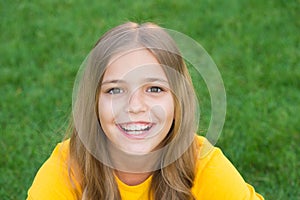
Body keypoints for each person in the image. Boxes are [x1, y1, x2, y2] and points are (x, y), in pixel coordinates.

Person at [27, 22, 264, 200]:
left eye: (154, 88)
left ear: (176, 99)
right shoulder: (67, 168)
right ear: (94, 102)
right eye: (115, 90)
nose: (135, 106)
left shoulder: (204, 166)